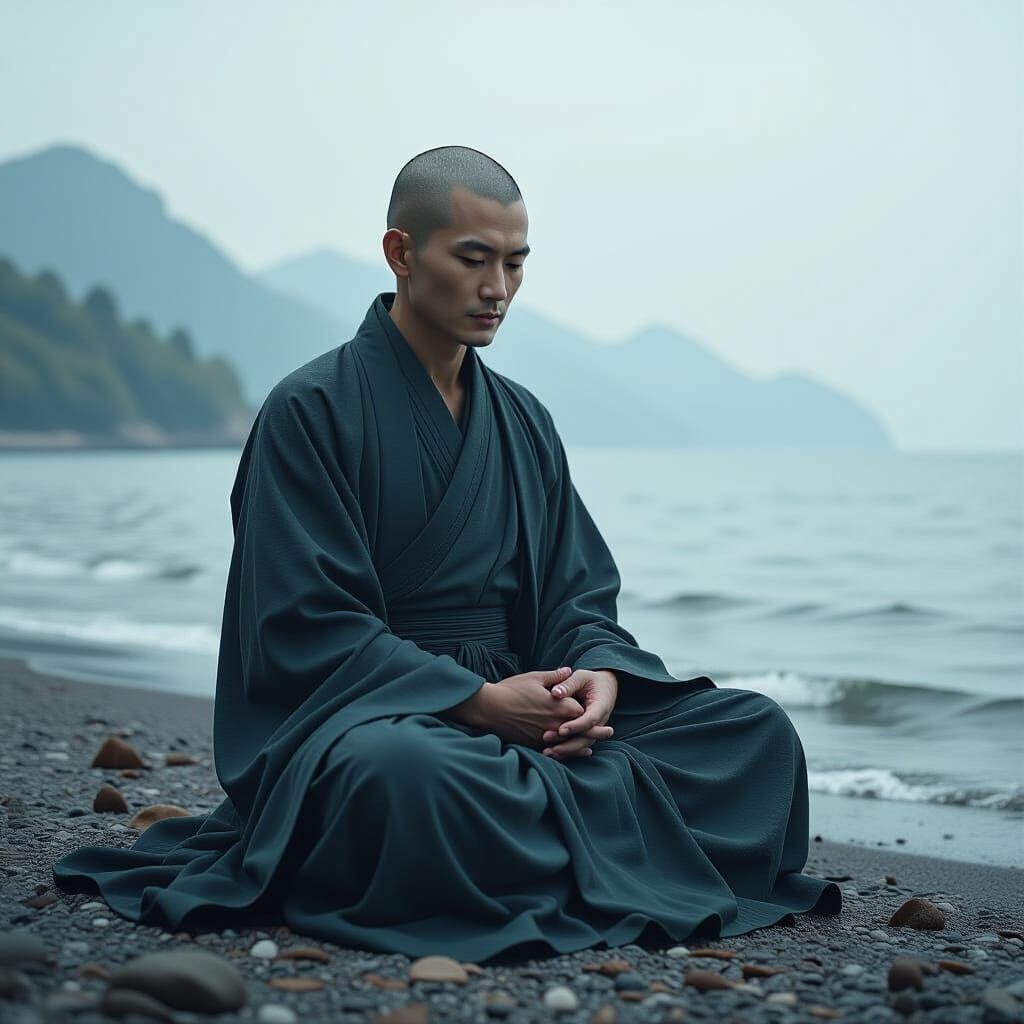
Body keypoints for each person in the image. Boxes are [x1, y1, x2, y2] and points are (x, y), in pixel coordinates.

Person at [52, 145, 841, 963]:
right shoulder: (309, 411)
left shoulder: (524, 420)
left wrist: (594, 680)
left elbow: (576, 595)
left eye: (515, 263)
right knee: (404, 775)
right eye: (473, 259)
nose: (497, 289)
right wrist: (475, 701)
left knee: (755, 733)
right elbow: (302, 623)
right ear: (401, 253)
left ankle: (520, 845)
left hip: (528, 704)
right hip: (374, 714)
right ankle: (576, 840)